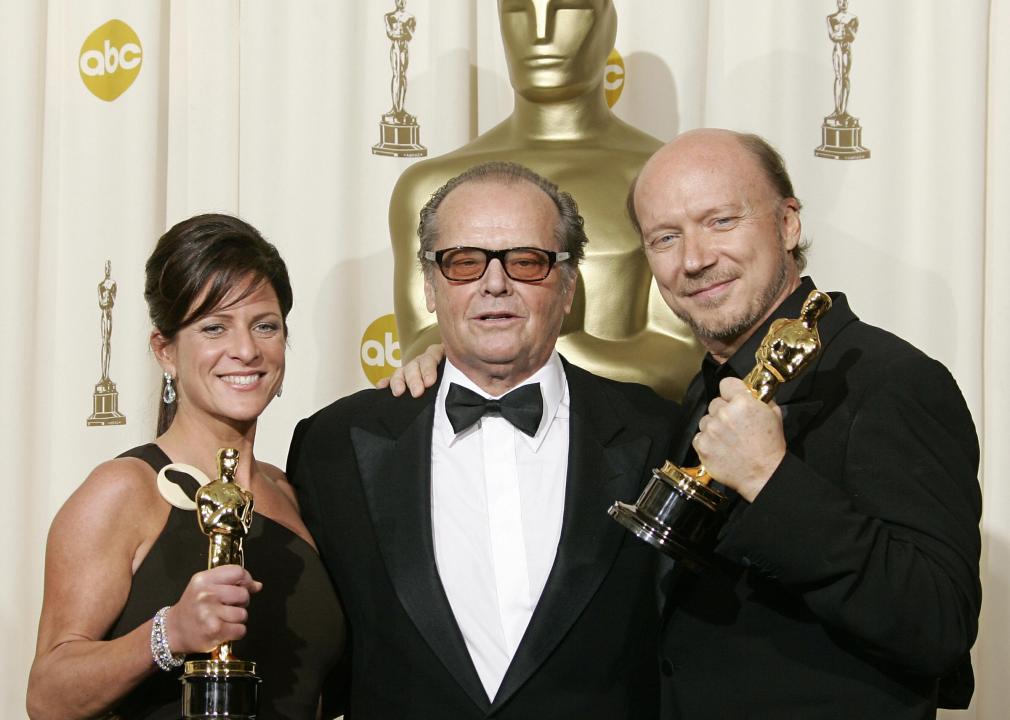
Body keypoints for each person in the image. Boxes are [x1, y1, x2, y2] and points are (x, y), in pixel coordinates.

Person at [289, 161, 678, 718]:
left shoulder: (657, 432)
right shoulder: (333, 444)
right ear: (429, 284)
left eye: (526, 262)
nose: (495, 284)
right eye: (465, 262)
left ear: (568, 286)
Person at [628, 129, 982, 719]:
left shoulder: (889, 379)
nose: (693, 259)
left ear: (788, 223)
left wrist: (770, 478)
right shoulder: (701, 387)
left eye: (720, 221)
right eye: (666, 237)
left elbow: (938, 625)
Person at [27, 214, 345, 720]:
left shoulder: (289, 491)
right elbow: (47, 696)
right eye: (214, 327)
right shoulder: (124, 490)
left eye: (265, 326)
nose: (245, 350)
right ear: (165, 351)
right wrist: (168, 634)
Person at [389, 0, 699, 399]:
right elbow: (420, 355)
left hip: (634, 448)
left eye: (567, 9)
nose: (539, 34)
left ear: (609, 24)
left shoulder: (662, 178)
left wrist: (530, 344)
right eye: (518, 11)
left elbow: (685, 361)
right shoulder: (428, 185)